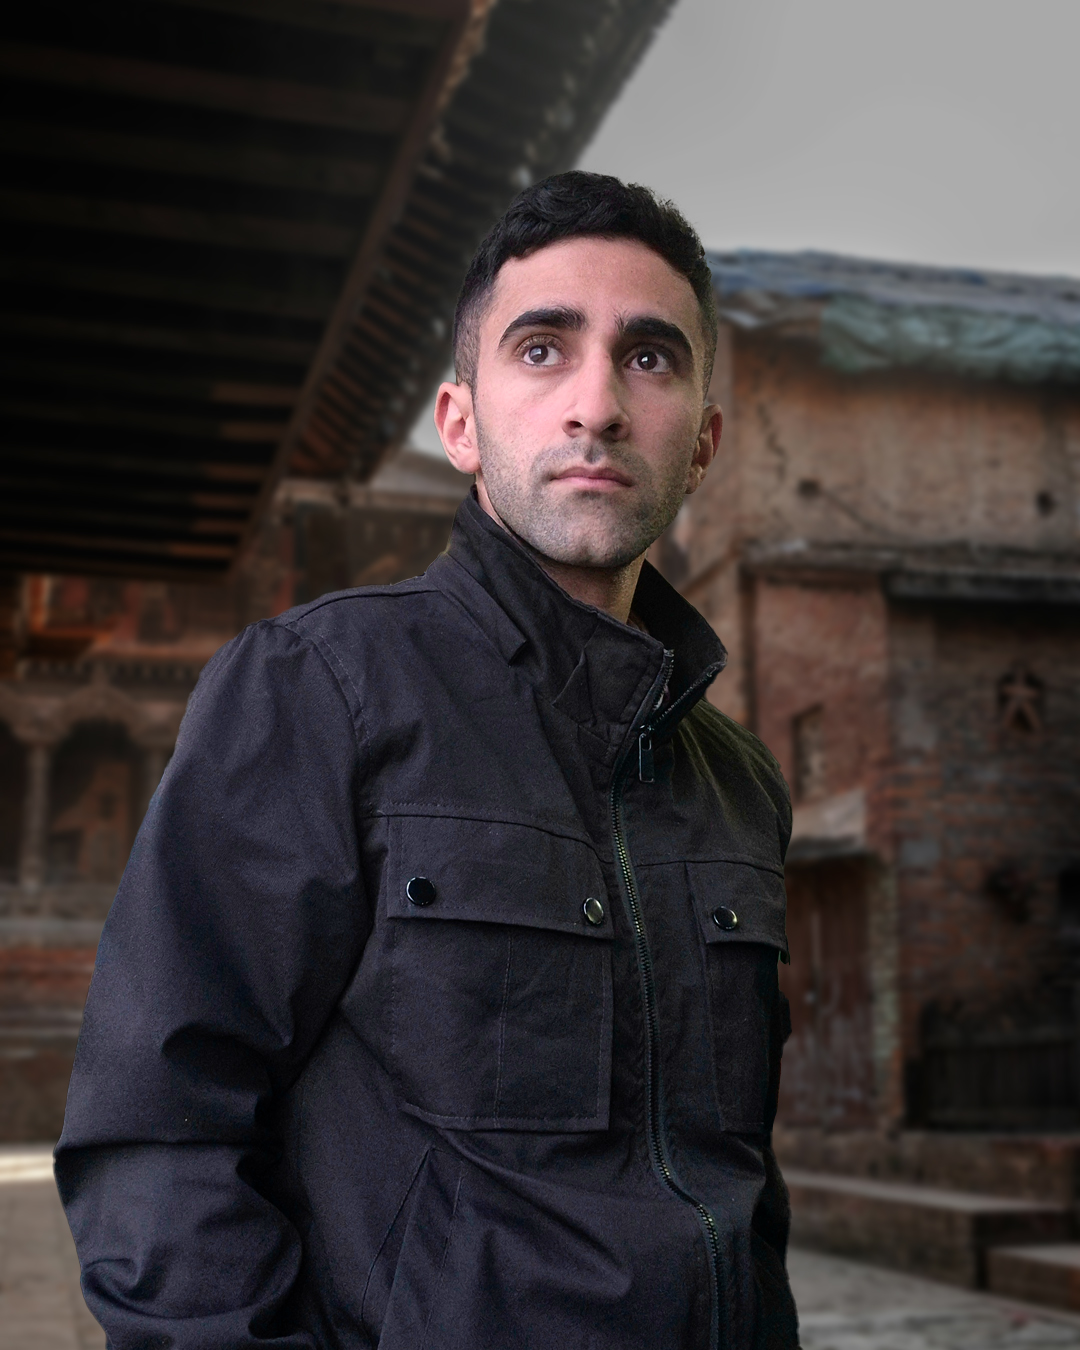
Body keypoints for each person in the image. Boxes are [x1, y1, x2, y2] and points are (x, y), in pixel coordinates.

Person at [57, 171, 798, 1350]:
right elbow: (159, 1131)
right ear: (460, 423)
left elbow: (737, 1183)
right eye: (543, 349)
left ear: (702, 441)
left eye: (650, 357)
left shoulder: (739, 783)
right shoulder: (317, 688)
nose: (598, 405)